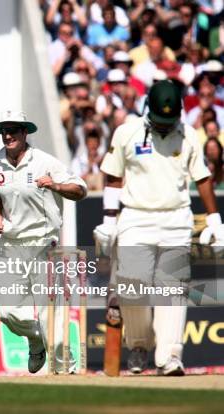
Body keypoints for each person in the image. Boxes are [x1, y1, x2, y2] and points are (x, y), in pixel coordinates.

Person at [94, 80, 224, 376]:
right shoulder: (127, 132)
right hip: (136, 218)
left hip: (176, 219)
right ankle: (139, 344)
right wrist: (109, 220)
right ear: (148, 109)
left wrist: (215, 219)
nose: (166, 127)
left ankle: (169, 357)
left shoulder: (188, 134)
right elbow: (113, 176)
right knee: (131, 283)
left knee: (173, 289)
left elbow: (202, 178)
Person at [0, 110, 87, 374]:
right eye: (4, 131)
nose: (7, 135)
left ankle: (66, 368)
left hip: (44, 244)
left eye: (13, 130)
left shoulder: (44, 162)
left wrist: (55, 186)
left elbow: (80, 190)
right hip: (10, 244)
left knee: (48, 313)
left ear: (25, 133)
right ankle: (35, 339)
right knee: (7, 313)